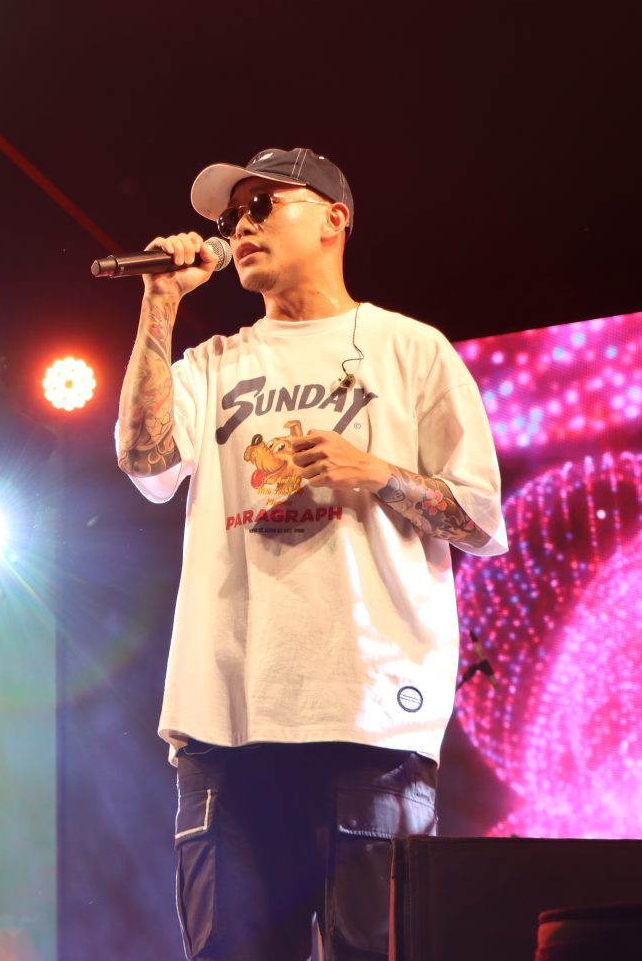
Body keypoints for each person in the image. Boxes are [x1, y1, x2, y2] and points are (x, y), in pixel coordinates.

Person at [115, 148, 507, 960]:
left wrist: (377, 473)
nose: (240, 225)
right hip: (225, 720)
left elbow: (476, 519)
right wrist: (160, 303)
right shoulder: (212, 363)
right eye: (232, 216)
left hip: (370, 715)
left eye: (263, 205)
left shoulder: (411, 350)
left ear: (334, 220)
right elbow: (145, 459)